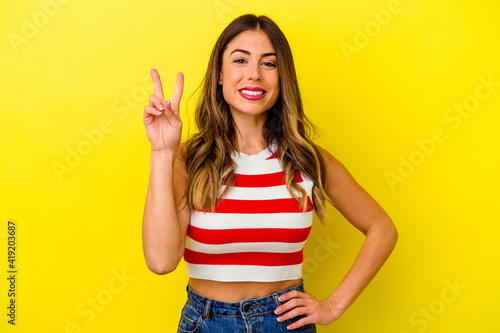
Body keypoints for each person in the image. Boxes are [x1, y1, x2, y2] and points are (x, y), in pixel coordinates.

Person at [142, 14, 398, 332]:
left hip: (286, 323)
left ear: (281, 76)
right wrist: (162, 152)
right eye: (240, 60)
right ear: (219, 74)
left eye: (269, 63)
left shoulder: (308, 160)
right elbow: (160, 262)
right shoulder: (188, 160)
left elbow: (382, 229)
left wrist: (333, 305)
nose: (254, 75)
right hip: (207, 323)